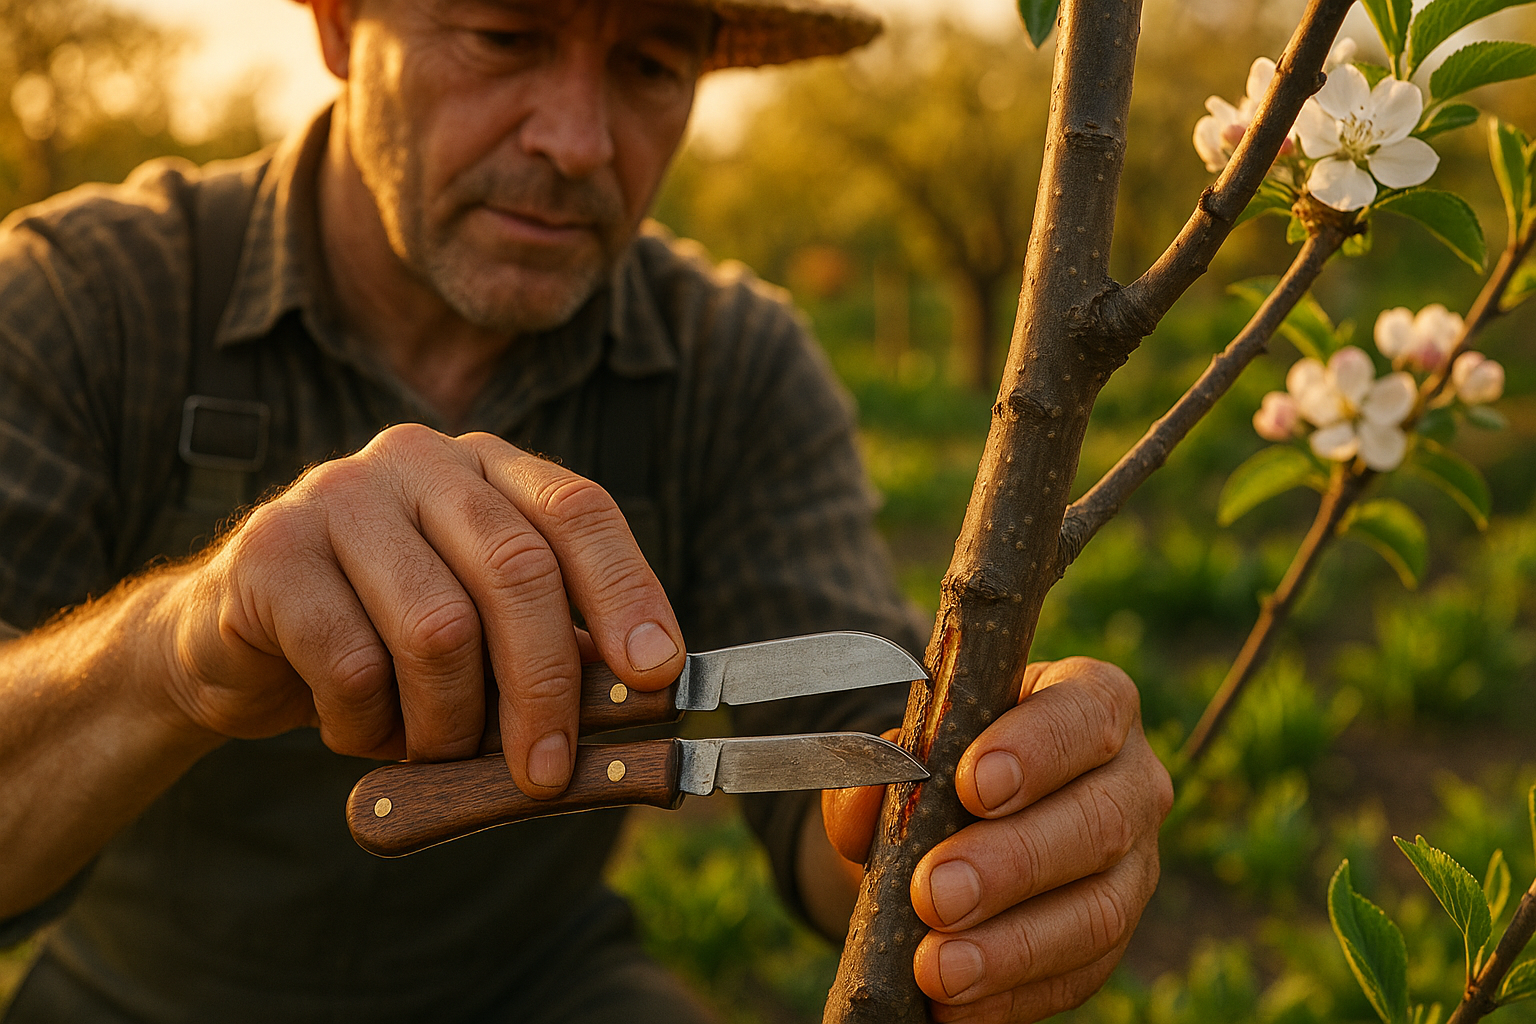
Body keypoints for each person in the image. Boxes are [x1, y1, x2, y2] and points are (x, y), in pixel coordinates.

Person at [0, 1, 1173, 1021]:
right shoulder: (82, 301)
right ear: (339, 23)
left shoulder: (735, 364)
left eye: (651, 66)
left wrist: (986, 826)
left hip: (543, 987)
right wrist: (177, 648)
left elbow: (847, 765)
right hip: (138, 996)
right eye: (506, 35)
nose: (575, 141)